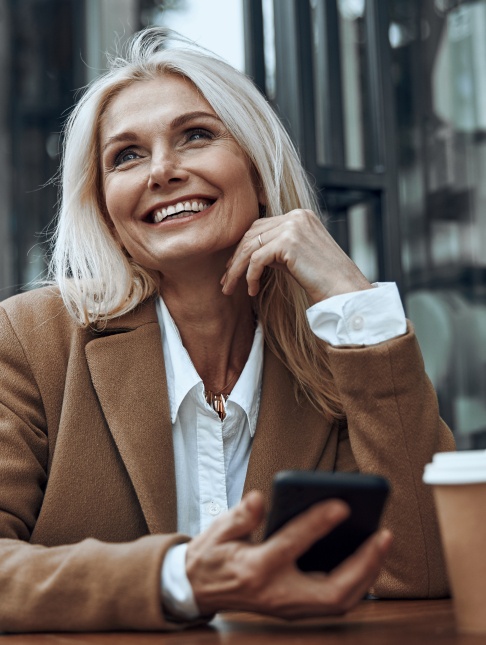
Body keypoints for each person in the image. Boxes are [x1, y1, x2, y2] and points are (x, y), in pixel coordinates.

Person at [0, 27, 455, 632]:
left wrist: (357, 303)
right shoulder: (31, 339)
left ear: (259, 173)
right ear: (106, 207)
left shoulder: (339, 353)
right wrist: (178, 579)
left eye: (196, 136)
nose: (162, 171)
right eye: (126, 155)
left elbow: (425, 568)